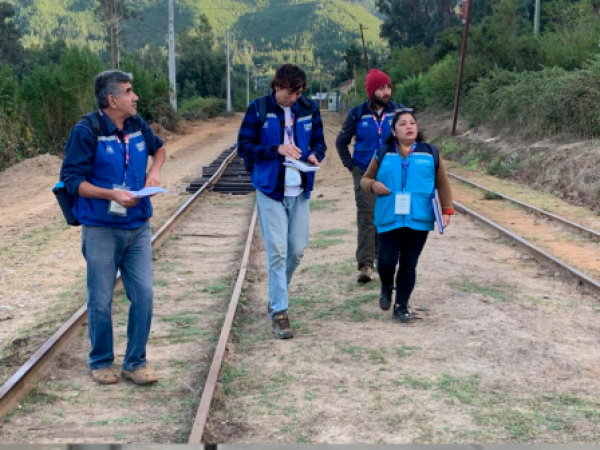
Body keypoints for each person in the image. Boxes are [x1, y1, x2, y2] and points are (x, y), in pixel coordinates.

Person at [61, 70, 166, 384]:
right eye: (129, 92)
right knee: (101, 299)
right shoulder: (86, 130)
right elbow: (72, 181)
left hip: (138, 226)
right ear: (112, 99)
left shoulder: (137, 124)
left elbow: (159, 148)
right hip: (101, 229)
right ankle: (101, 361)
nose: (135, 97)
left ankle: (135, 362)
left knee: (144, 295)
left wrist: (154, 173)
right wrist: (111, 194)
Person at [237, 64, 327, 339]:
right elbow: (244, 147)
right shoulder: (258, 108)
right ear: (277, 86)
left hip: (299, 191)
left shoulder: (309, 109)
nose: (295, 97)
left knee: (297, 250)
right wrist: (276, 149)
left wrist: (314, 156)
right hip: (270, 190)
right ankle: (280, 311)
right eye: (291, 92)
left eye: (299, 92)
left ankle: (278, 292)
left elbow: (319, 143)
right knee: (277, 250)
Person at [360, 109, 454, 323]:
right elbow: (364, 180)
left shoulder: (431, 152)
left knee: (409, 263)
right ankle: (386, 286)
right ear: (393, 130)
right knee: (386, 261)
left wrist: (446, 210)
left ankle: (401, 305)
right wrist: (373, 185)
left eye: (412, 123)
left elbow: (443, 184)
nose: (409, 126)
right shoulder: (382, 153)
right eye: (402, 124)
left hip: (419, 217)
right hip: (389, 216)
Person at [336, 69, 405, 284]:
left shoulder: (399, 112)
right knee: (368, 218)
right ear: (371, 91)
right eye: (381, 88)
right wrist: (352, 167)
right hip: (365, 173)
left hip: (393, 173)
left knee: (391, 217)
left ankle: (385, 259)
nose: (386, 92)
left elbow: (411, 140)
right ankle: (366, 265)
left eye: (388, 87)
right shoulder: (357, 114)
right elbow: (341, 142)